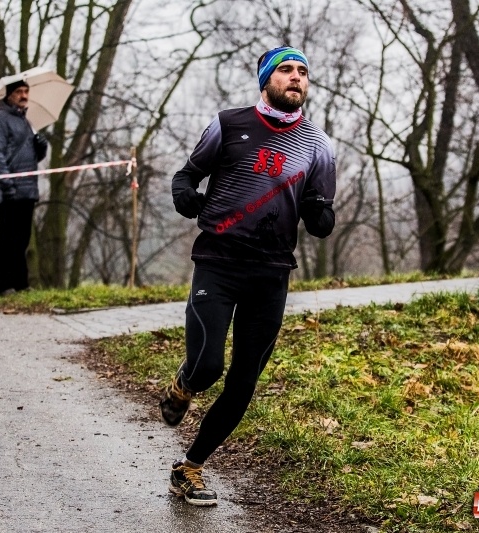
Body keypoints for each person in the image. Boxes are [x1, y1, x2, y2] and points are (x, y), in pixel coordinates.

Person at [160, 46, 336, 506]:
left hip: (272, 272)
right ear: (266, 80)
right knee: (207, 367)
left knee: (242, 384)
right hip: (218, 262)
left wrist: (320, 213)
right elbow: (188, 174)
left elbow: (320, 204)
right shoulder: (229, 125)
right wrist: (184, 193)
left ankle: (191, 467)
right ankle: (182, 385)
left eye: (303, 71)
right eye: (286, 70)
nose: (296, 77)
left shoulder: (318, 145)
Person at [0, 79, 47, 296]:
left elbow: (30, 157)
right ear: (9, 95)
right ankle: (5, 286)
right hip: (10, 188)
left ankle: (21, 284)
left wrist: (41, 148)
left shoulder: (24, 121)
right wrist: (6, 184)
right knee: (7, 239)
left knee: (22, 239)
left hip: (28, 189)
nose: (23, 95)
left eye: (26, 91)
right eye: (19, 91)